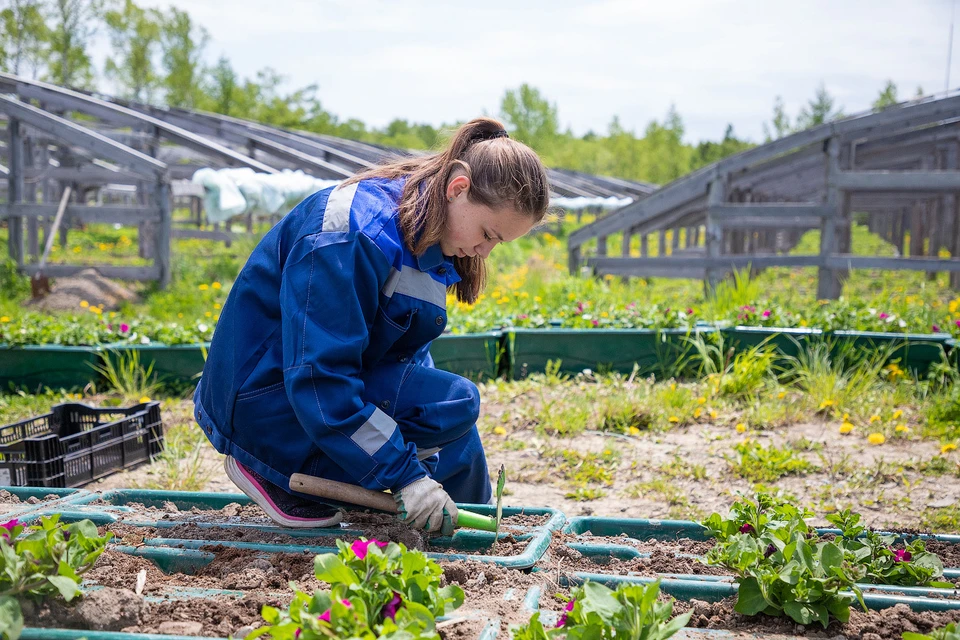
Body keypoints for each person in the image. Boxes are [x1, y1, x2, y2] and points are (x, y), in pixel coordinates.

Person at [193, 117, 549, 535]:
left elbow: (406, 356)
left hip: (311, 391)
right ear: (458, 188)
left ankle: (474, 527)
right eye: (488, 234)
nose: (484, 251)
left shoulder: (430, 235)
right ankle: (275, 468)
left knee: (453, 422)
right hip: (266, 404)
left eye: (498, 244)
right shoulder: (352, 234)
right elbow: (319, 379)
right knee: (454, 403)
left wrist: (433, 474)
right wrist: (406, 476)